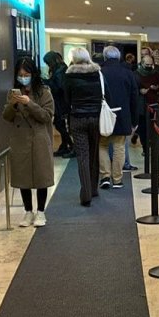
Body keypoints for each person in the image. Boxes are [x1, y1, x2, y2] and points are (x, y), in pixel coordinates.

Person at [2, 56, 55, 227]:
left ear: (33, 74)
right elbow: (6, 117)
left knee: (41, 176)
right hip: (20, 140)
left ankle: (41, 211)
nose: (23, 78)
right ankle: (28, 211)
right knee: (22, 176)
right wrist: (13, 104)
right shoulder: (13, 93)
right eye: (20, 75)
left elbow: (46, 116)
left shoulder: (44, 92)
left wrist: (30, 103)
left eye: (26, 74)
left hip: (39, 139)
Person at [97, 46, 139, 189]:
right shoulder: (127, 73)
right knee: (119, 147)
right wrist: (134, 120)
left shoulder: (99, 72)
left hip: (103, 114)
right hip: (122, 114)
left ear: (104, 56)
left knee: (102, 145)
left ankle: (105, 176)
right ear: (119, 56)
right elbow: (134, 97)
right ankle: (117, 179)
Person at [64, 48, 102, 206]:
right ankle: (93, 188)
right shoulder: (97, 74)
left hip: (77, 118)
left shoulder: (69, 76)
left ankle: (85, 194)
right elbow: (105, 94)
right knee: (94, 153)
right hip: (96, 117)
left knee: (83, 156)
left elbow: (66, 100)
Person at [43, 51, 73, 158]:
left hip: (61, 101)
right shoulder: (62, 68)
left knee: (59, 124)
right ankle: (65, 145)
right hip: (61, 101)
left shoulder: (60, 71)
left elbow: (58, 87)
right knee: (60, 124)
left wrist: (46, 82)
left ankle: (70, 145)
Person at [135, 52, 159, 159]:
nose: (149, 67)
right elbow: (133, 89)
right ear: (142, 64)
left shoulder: (155, 74)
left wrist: (157, 88)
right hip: (142, 105)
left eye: (151, 65)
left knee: (156, 128)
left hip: (154, 103)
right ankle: (145, 148)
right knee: (143, 128)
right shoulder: (136, 74)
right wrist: (140, 91)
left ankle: (156, 147)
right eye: (147, 65)